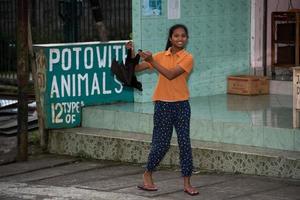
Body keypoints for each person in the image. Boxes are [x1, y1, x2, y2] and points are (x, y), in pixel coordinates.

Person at [129, 24, 199, 196]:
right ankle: (147, 175)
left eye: (183, 36)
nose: (180, 39)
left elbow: (170, 74)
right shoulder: (160, 56)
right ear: (170, 38)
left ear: (187, 39)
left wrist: (153, 61)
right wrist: (131, 54)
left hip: (181, 105)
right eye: (176, 36)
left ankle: (187, 183)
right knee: (161, 144)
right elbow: (136, 69)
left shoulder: (188, 58)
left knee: (184, 143)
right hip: (162, 105)